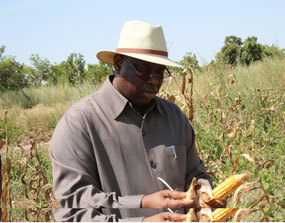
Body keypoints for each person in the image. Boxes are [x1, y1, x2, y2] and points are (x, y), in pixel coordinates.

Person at [49, 20, 225, 222]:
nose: (154, 80)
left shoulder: (175, 117)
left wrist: (205, 194)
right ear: (118, 63)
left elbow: (194, 174)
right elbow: (75, 209)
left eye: (160, 72)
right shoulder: (79, 123)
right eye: (144, 70)